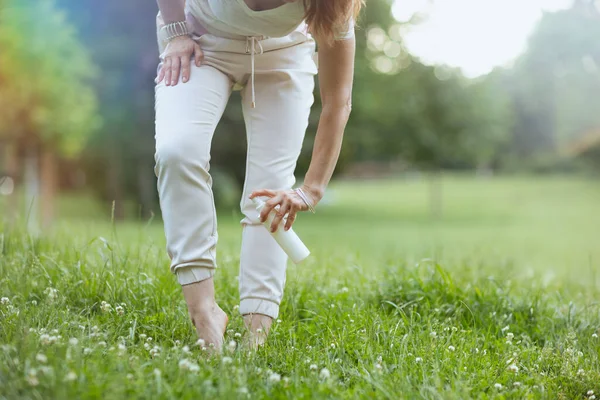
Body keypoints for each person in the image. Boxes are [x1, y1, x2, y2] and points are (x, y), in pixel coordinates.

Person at [154, 0, 361, 350]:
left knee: (270, 190)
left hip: (284, 53)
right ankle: (204, 312)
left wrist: (311, 190)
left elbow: (338, 99)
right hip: (203, 40)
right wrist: (175, 31)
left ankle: (257, 329)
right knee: (177, 152)